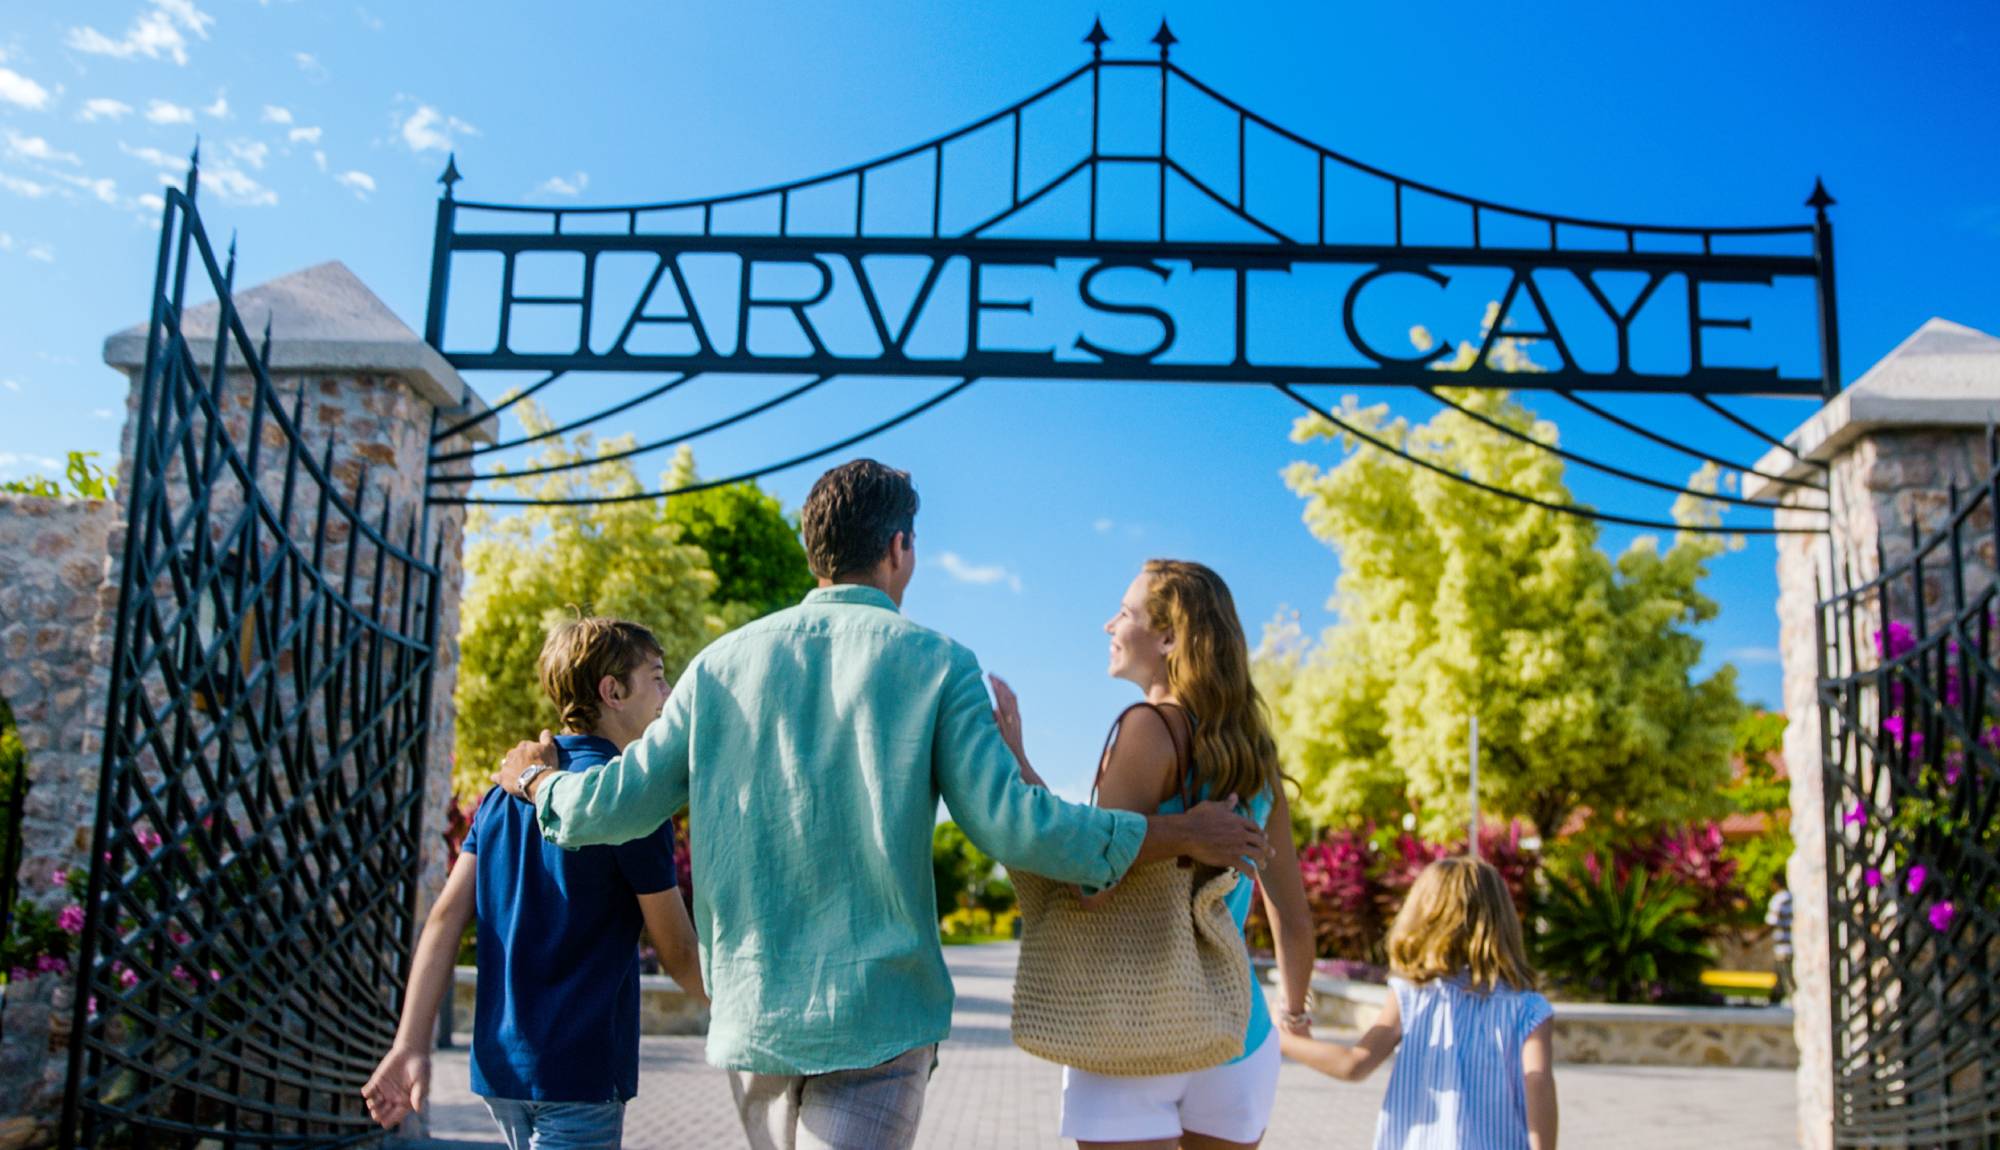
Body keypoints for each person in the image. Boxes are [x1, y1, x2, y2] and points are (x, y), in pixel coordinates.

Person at [496, 459, 1268, 1150]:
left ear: (813, 551)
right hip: (880, 1016)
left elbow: (613, 805)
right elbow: (1015, 825)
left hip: (755, 1015)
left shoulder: (717, 667)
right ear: (899, 548)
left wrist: (535, 781)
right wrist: (1173, 833)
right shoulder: (938, 663)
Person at [989, 559, 1317, 1150]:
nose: (1108, 625)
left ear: (1168, 637)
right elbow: (1292, 918)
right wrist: (1293, 1015)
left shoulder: (1148, 730)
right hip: (1237, 1034)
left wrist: (1019, 771)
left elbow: (1095, 882)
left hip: (1133, 1026)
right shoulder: (1257, 762)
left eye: (1124, 612)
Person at [363, 617, 707, 1149]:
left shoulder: (503, 794)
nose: (668, 694)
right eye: (657, 677)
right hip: (579, 1074)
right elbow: (679, 951)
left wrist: (410, 1044)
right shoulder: (629, 802)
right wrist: (744, 1016)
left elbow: (445, 917)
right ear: (612, 691)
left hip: (500, 1074)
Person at [1278, 856, 1558, 1150]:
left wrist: (1285, 1040)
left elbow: (1354, 1064)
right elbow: (1537, 1083)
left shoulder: (1411, 996)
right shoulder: (1528, 1009)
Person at [1766, 887, 1794, 1002]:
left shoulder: (1779, 899)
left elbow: (1771, 922)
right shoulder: (1792, 896)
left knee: (1787, 980)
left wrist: (1753, 939)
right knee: (1781, 979)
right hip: (1788, 946)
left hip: (1783, 947)